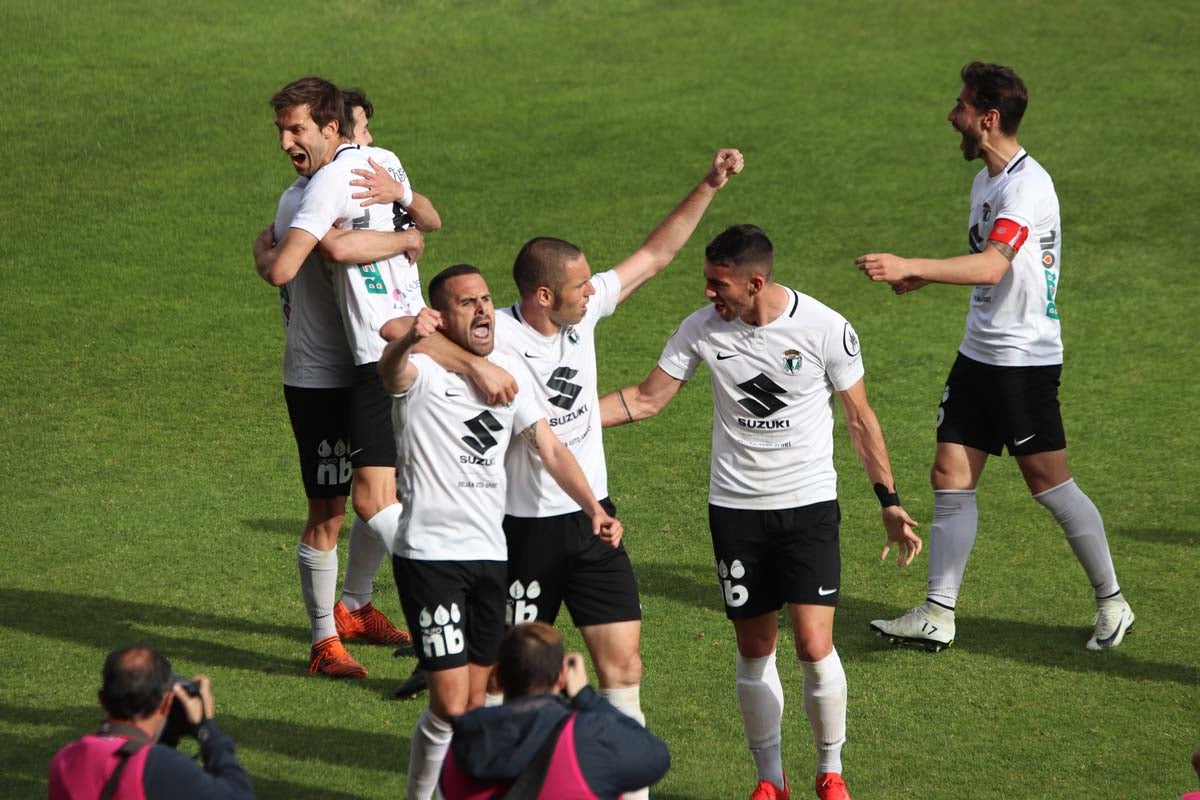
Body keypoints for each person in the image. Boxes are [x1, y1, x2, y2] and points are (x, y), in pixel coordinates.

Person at [600, 224, 922, 800]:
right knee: (755, 649)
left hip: (808, 508)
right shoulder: (701, 330)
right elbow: (647, 399)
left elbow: (860, 419)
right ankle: (771, 781)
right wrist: (557, 423)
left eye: (717, 283)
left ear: (755, 281)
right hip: (737, 513)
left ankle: (831, 771)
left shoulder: (825, 328)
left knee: (813, 644)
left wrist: (889, 501)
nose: (708, 294)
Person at [856, 61, 1134, 652]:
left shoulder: (1025, 187)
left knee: (1048, 484)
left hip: (1023, 359)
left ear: (987, 118)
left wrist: (912, 265)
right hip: (979, 351)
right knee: (950, 475)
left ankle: (1113, 601)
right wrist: (929, 281)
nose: (950, 115)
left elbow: (993, 265)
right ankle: (938, 612)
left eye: (960, 106)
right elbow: (991, 272)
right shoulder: (986, 181)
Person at [491, 148, 743, 796]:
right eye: (580, 290)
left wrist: (708, 185)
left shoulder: (579, 311)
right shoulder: (498, 342)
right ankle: (493, 774)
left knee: (623, 662)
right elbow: (544, 446)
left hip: (591, 523)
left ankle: (629, 791)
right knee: (508, 675)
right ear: (544, 296)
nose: (593, 293)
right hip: (526, 528)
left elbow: (654, 256)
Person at [378, 265, 622, 800]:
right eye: (468, 303)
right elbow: (389, 370)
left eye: (486, 299)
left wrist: (592, 509)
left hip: (491, 555)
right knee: (448, 704)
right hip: (431, 557)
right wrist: (410, 342)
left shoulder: (509, 375)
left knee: (479, 701)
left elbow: (550, 447)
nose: (484, 309)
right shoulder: (422, 371)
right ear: (442, 318)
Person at [255, 80, 428, 678]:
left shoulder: (344, 180)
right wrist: (407, 237)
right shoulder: (300, 199)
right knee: (330, 509)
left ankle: (355, 605)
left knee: (387, 487)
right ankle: (325, 640)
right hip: (318, 379)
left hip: (361, 367)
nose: (284, 141)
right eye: (281, 130)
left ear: (332, 131)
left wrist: (403, 231)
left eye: (295, 129)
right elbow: (304, 257)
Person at [439, 621, 670, 800]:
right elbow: (656, 757)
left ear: (497, 678)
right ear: (561, 677)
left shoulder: (462, 743)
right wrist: (585, 697)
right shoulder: (587, 738)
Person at [48, 646, 253, 799]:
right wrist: (207, 729)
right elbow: (239, 795)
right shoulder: (160, 766)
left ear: (102, 699)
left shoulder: (64, 760)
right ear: (165, 704)